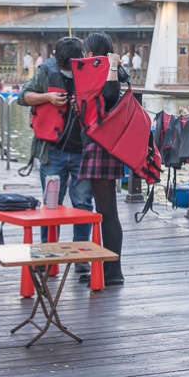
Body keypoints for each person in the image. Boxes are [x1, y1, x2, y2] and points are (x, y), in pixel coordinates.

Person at [17, 36, 94, 272]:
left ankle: (81, 259)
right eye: (63, 65)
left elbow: (104, 103)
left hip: (81, 150)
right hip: (53, 151)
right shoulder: (46, 71)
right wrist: (48, 98)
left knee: (82, 204)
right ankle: (48, 256)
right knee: (51, 205)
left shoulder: (88, 72)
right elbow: (23, 96)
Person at [77, 32, 128, 286]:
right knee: (105, 211)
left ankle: (113, 271)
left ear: (91, 52)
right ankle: (109, 268)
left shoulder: (109, 71)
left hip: (102, 147)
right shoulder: (98, 71)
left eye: (86, 51)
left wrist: (112, 66)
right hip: (101, 146)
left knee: (107, 211)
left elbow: (110, 93)